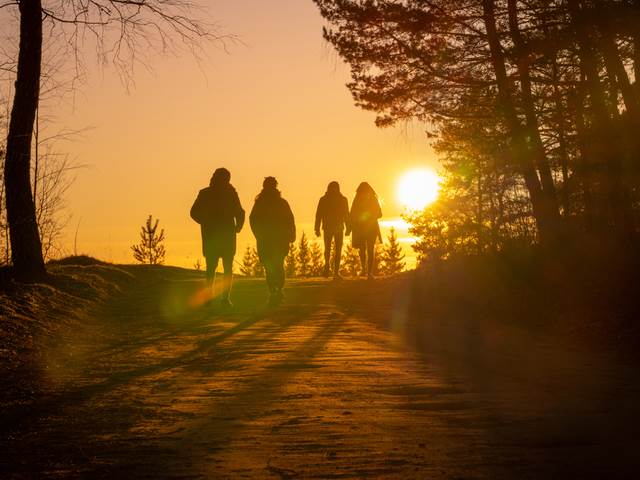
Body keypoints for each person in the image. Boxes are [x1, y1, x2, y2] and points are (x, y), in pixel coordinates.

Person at [190, 168, 244, 307]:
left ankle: (219, 299)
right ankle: (222, 299)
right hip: (219, 235)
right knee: (222, 268)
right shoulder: (211, 193)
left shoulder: (224, 193)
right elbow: (194, 212)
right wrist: (237, 227)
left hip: (216, 235)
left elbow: (239, 212)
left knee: (214, 268)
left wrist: (238, 226)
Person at [249, 177, 296, 306]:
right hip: (276, 239)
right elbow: (290, 220)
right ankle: (277, 290)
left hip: (267, 240)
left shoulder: (260, 203)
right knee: (277, 265)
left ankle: (274, 290)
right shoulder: (280, 202)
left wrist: (258, 234)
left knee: (271, 266)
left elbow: (253, 220)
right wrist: (291, 234)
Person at [315, 181, 350, 279]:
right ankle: (331, 269)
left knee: (333, 249)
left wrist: (348, 227)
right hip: (332, 227)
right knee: (332, 249)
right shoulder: (341, 200)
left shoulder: (325, 199)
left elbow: (346, 215)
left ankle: (333, 270)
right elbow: (319, 215)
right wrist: (316, 228)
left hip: (332, 227)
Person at [349, 182, 382, 279]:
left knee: (362, 249)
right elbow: (380, 214)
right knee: (370, 249)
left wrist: (351, 226)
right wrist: (372, 216)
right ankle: (369, 272)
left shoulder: (357, 199)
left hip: (360, 228)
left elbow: (352, 214)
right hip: (371, 228)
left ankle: (364, 270)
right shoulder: (373, 199)